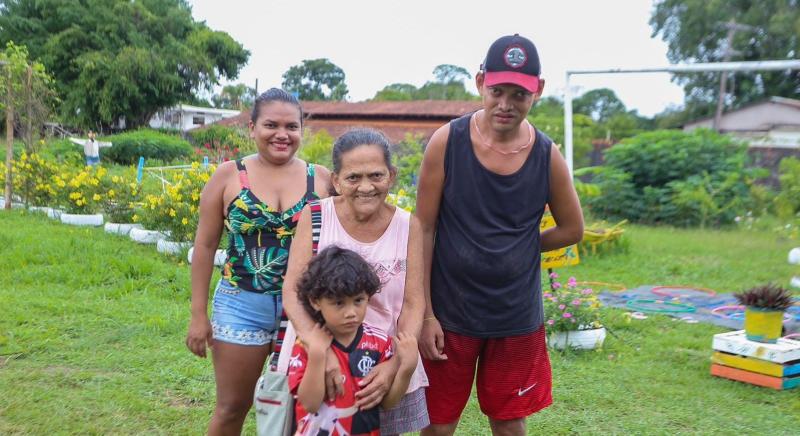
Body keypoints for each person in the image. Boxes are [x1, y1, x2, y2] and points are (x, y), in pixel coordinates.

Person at [416, 34, 585, 436]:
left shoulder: (547, 156)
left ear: (538, 91)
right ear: (479, 82)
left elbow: (572, 228)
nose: (506, 104)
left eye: (518, 94)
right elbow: (423, 226)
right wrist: (424, 314)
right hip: (449, 312)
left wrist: (524, 246)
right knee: (437, 424)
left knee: (509, 422)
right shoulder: (448, 142)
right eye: (497, 91)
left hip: (514, 317)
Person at [185, 88, 331, 435]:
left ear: (301, 130)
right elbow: (204, 247)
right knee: (232, 407)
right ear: (252, 128)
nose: (282, 134)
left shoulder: (322, 178)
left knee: (301, 409)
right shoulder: (227, 176)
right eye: (271, 125)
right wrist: (198, 314)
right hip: (241, 305)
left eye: (291, 126)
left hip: (306, 310)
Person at [280, 128, 429, 435]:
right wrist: (322, 352)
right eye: (353, 177)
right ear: (336, 181)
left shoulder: (407, 226)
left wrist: (394, 365)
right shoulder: (317, 216)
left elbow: (413, 303)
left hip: (380, 364)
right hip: (315, 355)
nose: (366, 187)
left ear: (392, 175)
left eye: (376, 175)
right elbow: (293, 291)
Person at [289, 245, 418, 435]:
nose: (351, 313)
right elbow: (309, 404)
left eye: (358, 300)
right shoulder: (306, 344)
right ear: (315, 301)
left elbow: (387, 403)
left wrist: (406, 369)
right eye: (339, 303)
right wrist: (317, 355)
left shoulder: (380, 343)